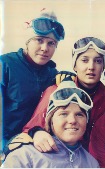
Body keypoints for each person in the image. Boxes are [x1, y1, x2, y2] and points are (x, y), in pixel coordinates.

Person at [0, 9, 65, 147]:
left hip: (36, 143)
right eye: (39, 40)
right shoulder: (5, 65)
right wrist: (4, 146)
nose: (44, 48)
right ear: (27, 41)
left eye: (51, 43)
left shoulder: (53, 74)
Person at [1, 78, 99, 168]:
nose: (72, 120)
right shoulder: (25, 155)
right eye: (63, 114)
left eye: (79, 115)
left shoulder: (92, 164)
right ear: (50, 121)